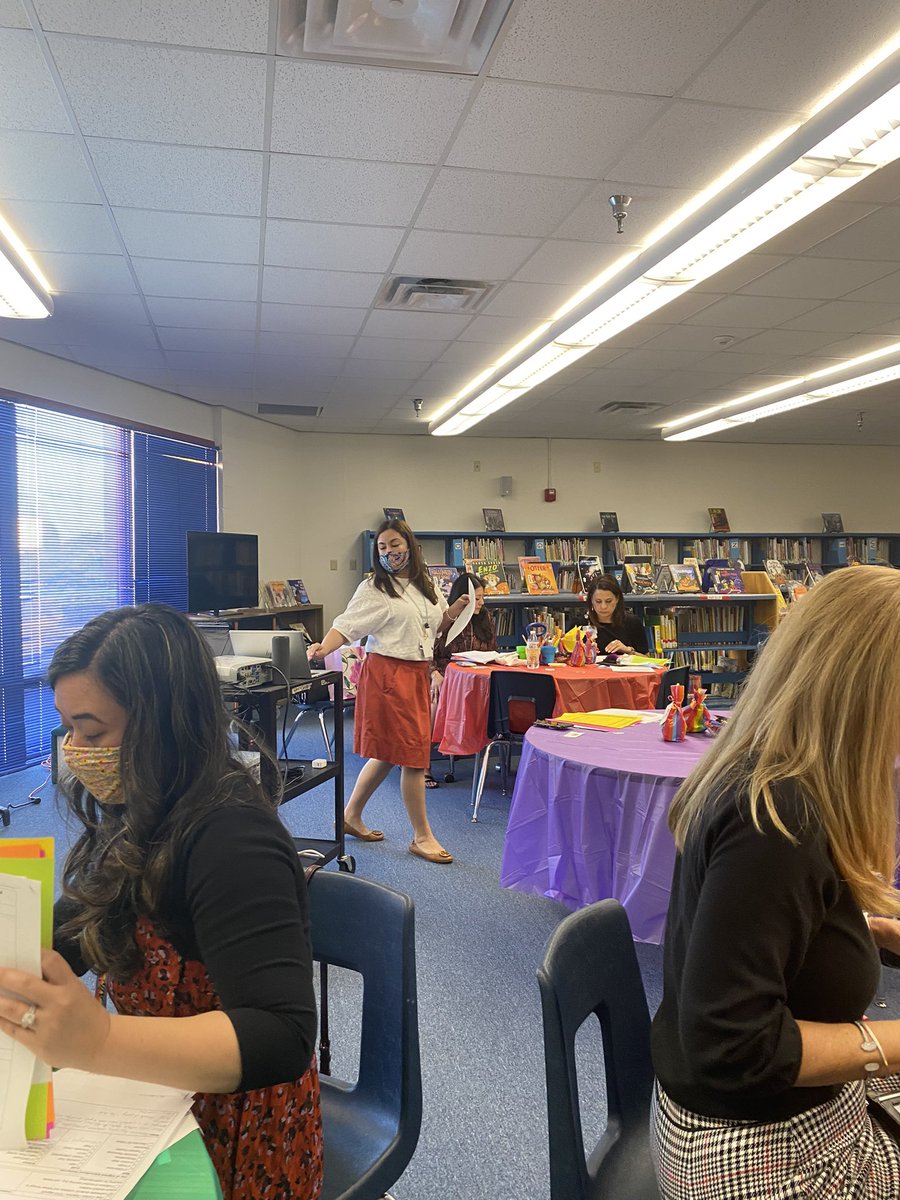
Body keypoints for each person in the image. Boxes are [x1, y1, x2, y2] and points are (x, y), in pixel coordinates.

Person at [0, 605, 323, 1200]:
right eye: (69, 730)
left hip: (239, 1130)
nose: (76, 751)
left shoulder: (233, 839)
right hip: (158, 1098)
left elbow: (281, 1035)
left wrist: (96, 1041)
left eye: (93, 732)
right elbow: (78, 929)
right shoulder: (144, 810)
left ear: (164, 723)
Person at [650, 567, 900, 1199]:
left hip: (763, 1123)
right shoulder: (780, 816)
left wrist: (862, 928)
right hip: (760, 1154)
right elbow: (733, 1046)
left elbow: (757, 930)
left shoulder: (770, 774)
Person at [307, 518, 470, 863]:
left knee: (389, 751)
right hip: (388, 674)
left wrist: (454, 612)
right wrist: (323, 647)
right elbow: (346, 625)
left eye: (394, 544)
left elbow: (432, 626)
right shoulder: (375, 589)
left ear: (409, 544)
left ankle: (350, 816)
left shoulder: (426, 585)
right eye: (381, 547)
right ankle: (422, 837)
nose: (389, 552)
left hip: (415, 672)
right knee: (413, 755)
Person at [427, 572, 498, 788]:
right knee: (434, 703)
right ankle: (422, 766)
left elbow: (492, 649)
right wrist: (434, 674)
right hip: (444, 674)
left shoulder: (484, 617)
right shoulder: (445, 617)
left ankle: (487, 753)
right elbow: (426, 650)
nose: (481, 603)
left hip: (476, 677)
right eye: (477, 598)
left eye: (483, 597)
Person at [584, 572, 648, 653]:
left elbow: (647, 660)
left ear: (617, 599)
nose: (603, 606)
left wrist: (628, 651)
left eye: (608, 601)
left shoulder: (632, 623)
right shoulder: (580, 624)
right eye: (598, 601)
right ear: (591, 600)